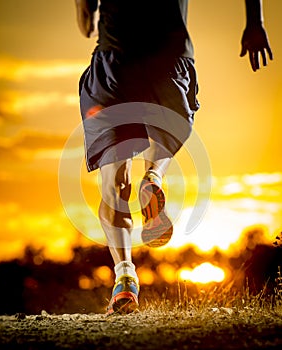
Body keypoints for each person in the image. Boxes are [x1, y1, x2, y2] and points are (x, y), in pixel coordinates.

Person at [74, 0, 272, 315]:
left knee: (114, 186)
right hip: (170, 58)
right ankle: (153, 176)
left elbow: (86, 25)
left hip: (115, 62)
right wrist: (254, 22)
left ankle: (125, 279)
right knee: (171, 127)